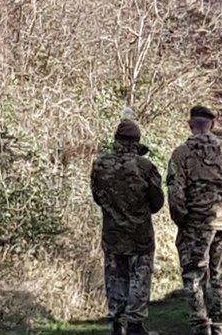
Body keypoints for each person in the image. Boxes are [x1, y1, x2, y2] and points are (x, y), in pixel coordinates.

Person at [167, 106, 222, 335]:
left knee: (194, 274)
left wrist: (182, 220)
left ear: (190, 124)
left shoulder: (181, 154)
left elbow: (175, 193)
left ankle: (200, 324)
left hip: (196, 222)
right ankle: (220, 326)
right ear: (212, 124)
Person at [91, 117, 165, 335]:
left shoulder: (100, 164)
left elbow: (97, 197)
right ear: (136, 140)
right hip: (139, 234)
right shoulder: (145, 166)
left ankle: (116, 321)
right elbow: (157, 202)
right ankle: (135, 324)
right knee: (139, 278)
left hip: (112, 232)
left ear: (116, 139)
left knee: (115, 277)